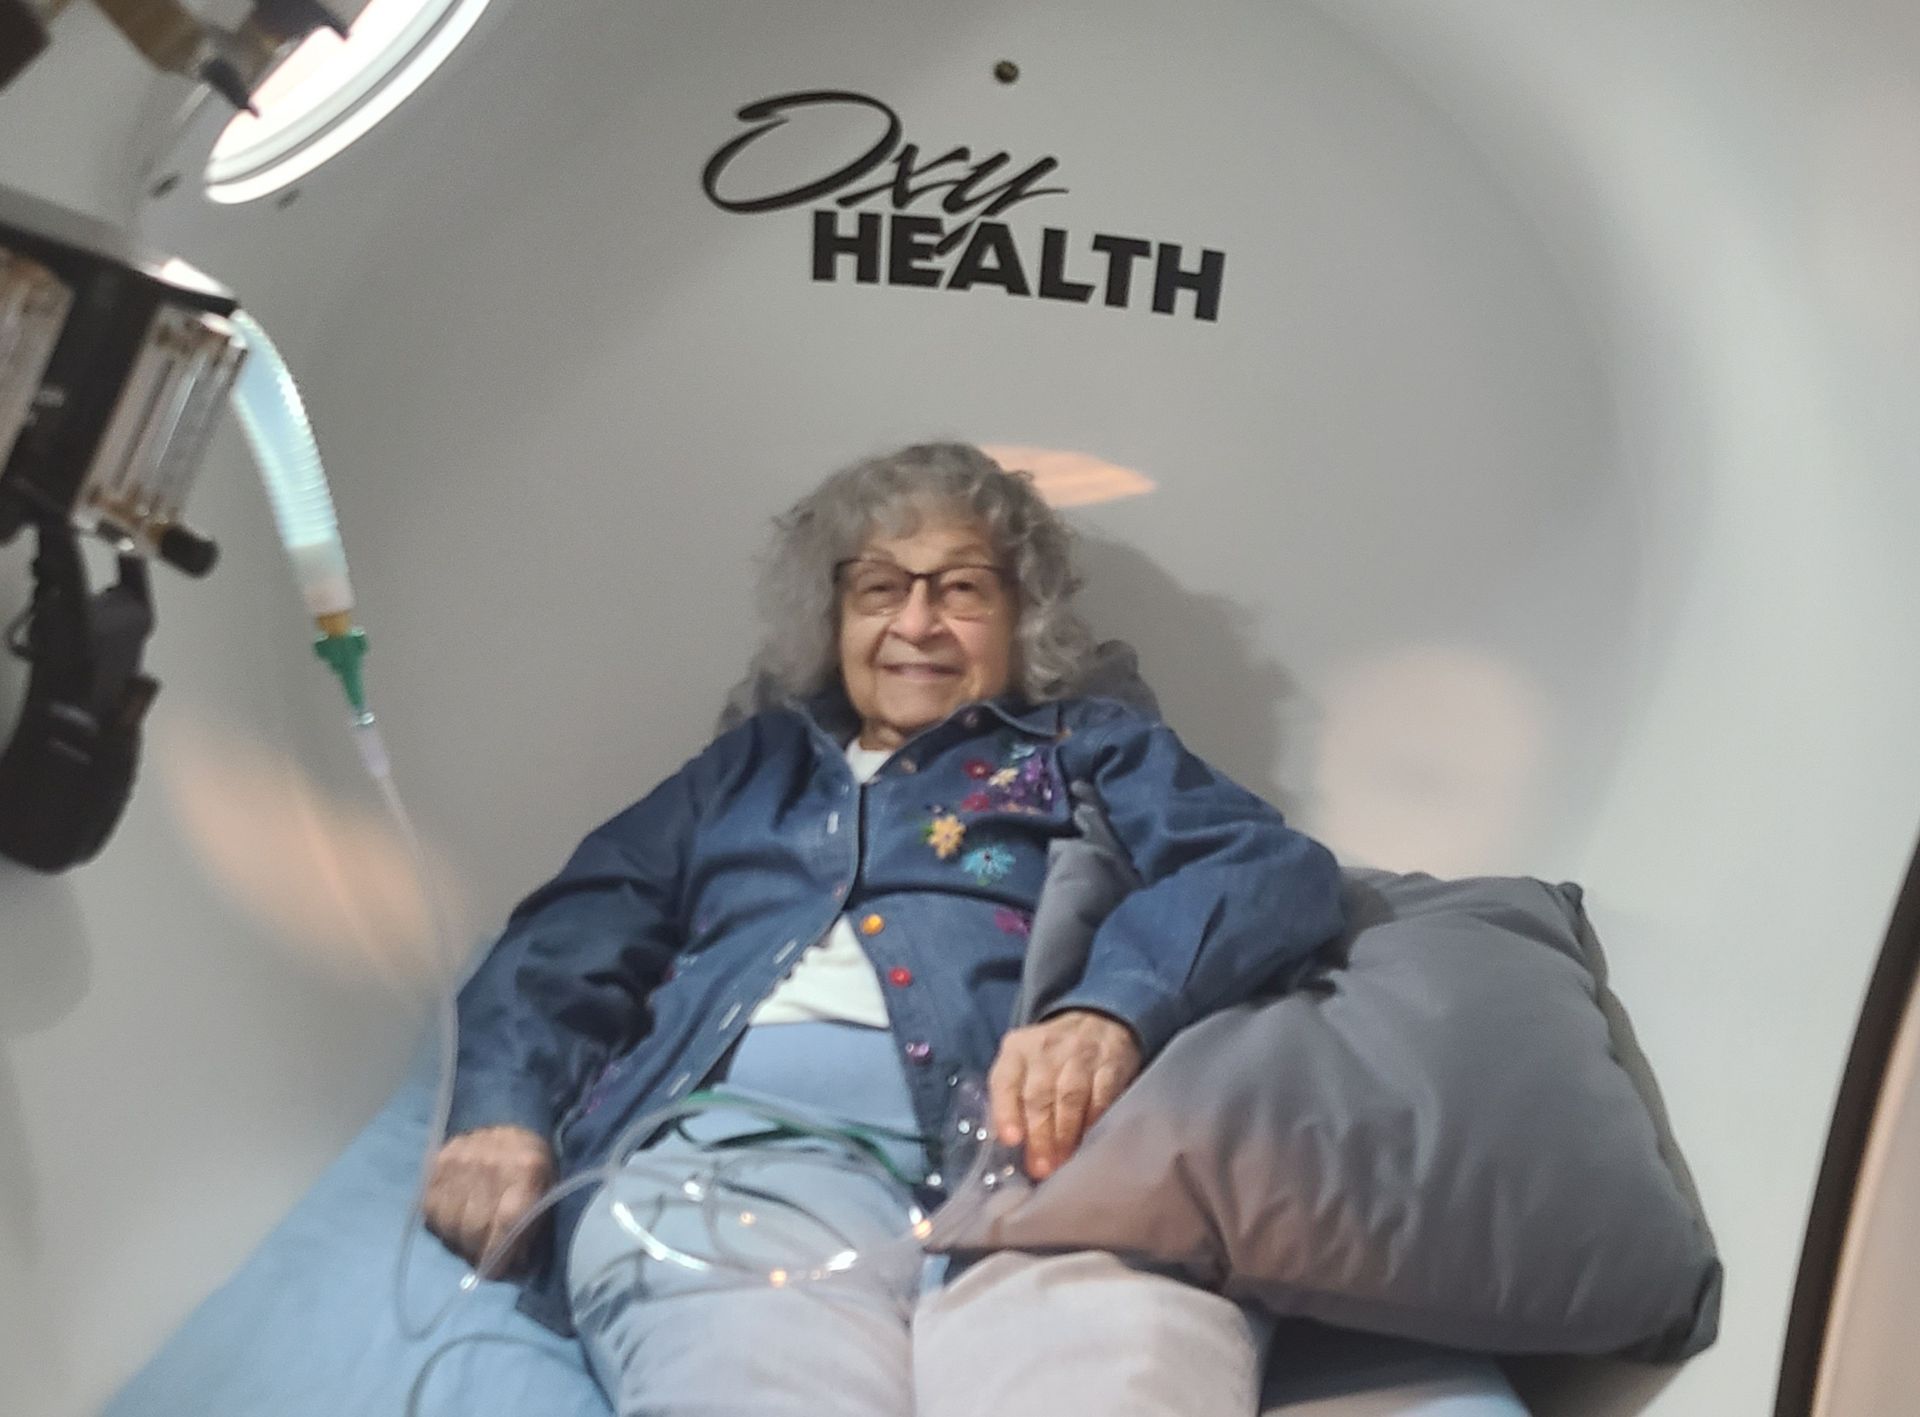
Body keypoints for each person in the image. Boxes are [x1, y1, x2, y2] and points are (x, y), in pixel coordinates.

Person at [424, 441, 1346, 1416]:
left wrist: (1107, 1014)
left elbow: (1261, 868)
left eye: (959, 589)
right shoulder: (749, 769)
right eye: (878, 589)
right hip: (738, 1176)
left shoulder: (1090, 748)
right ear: (835, 617)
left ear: (1020, 612)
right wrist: (499, 1111)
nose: (916, 622)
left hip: (1053, 1184)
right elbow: (569, 935)